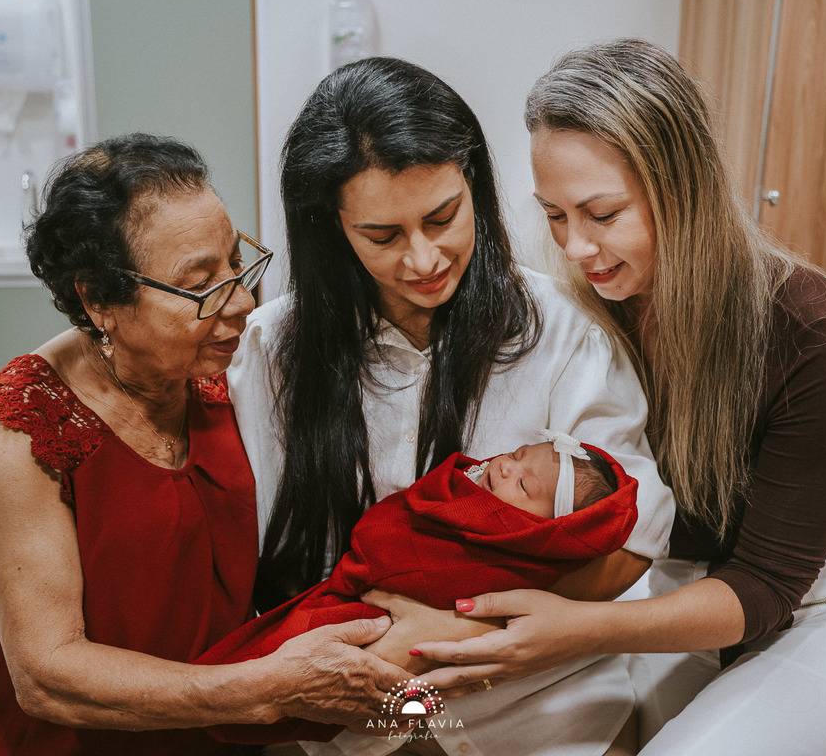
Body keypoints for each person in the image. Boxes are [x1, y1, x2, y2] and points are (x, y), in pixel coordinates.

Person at [414, 39, 826, 755]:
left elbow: (766, 585)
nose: (577, 247)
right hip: (677, 599)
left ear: (684, 186)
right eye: (554, 215)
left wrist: (575, 629)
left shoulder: (819, 337)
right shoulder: (576, 314)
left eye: (601, 214)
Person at [228, 56, 674, 756]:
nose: (424, 259)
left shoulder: (562, 333)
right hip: (351, 715)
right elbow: (250, 548)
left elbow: (637, 521)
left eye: (444, 217)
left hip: (542, 701)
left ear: (476, 186)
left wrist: (457, 636)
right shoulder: (270, 350)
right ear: (331, 230)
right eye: (382, 237)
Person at [0, 134, 414, 756]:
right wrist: (266, 688)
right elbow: (47, 677)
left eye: (237, 264)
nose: (242, 304)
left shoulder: (225, 370)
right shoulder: (19, 430)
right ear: (99, 300)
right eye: (201, 285)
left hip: (206, 723)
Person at [199, 433, 639, 746]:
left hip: (388, 631)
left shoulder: (521, 556)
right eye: (518, 453)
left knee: (277, 668)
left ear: (543, 532)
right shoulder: (463, 487)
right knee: (256, 674)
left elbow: (395, 548)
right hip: (360, 603)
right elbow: (404, 513)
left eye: (524, 485)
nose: (506, 466)